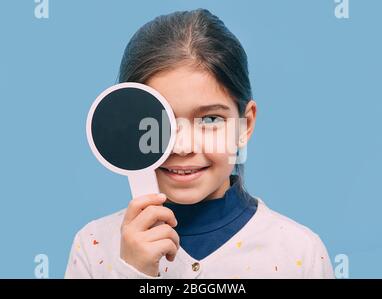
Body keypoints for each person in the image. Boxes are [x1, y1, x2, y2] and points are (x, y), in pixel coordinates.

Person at [65, 8, 334, 279]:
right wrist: (134, 272)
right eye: (159, 121)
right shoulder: (94, 248)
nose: (183, 146)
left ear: (245, 124)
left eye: (209, 119)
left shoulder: (298, 254)